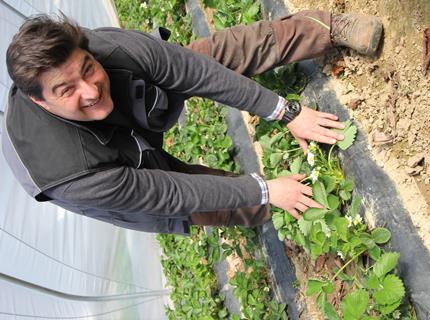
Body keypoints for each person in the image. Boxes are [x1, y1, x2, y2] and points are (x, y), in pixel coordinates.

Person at [2, 10, 382, 235]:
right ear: (41, 101)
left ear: (86, 50)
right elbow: (169, 193)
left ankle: (323, 28)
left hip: (130, 108)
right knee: (203, 203)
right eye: (67, 89)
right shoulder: (69, 174)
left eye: (88, 69)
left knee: (215, 56)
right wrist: (265, 191)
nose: (90, 89)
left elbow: (195, 73)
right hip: (112, 168)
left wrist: (286, 112)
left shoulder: (111, 50)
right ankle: (291, 205)